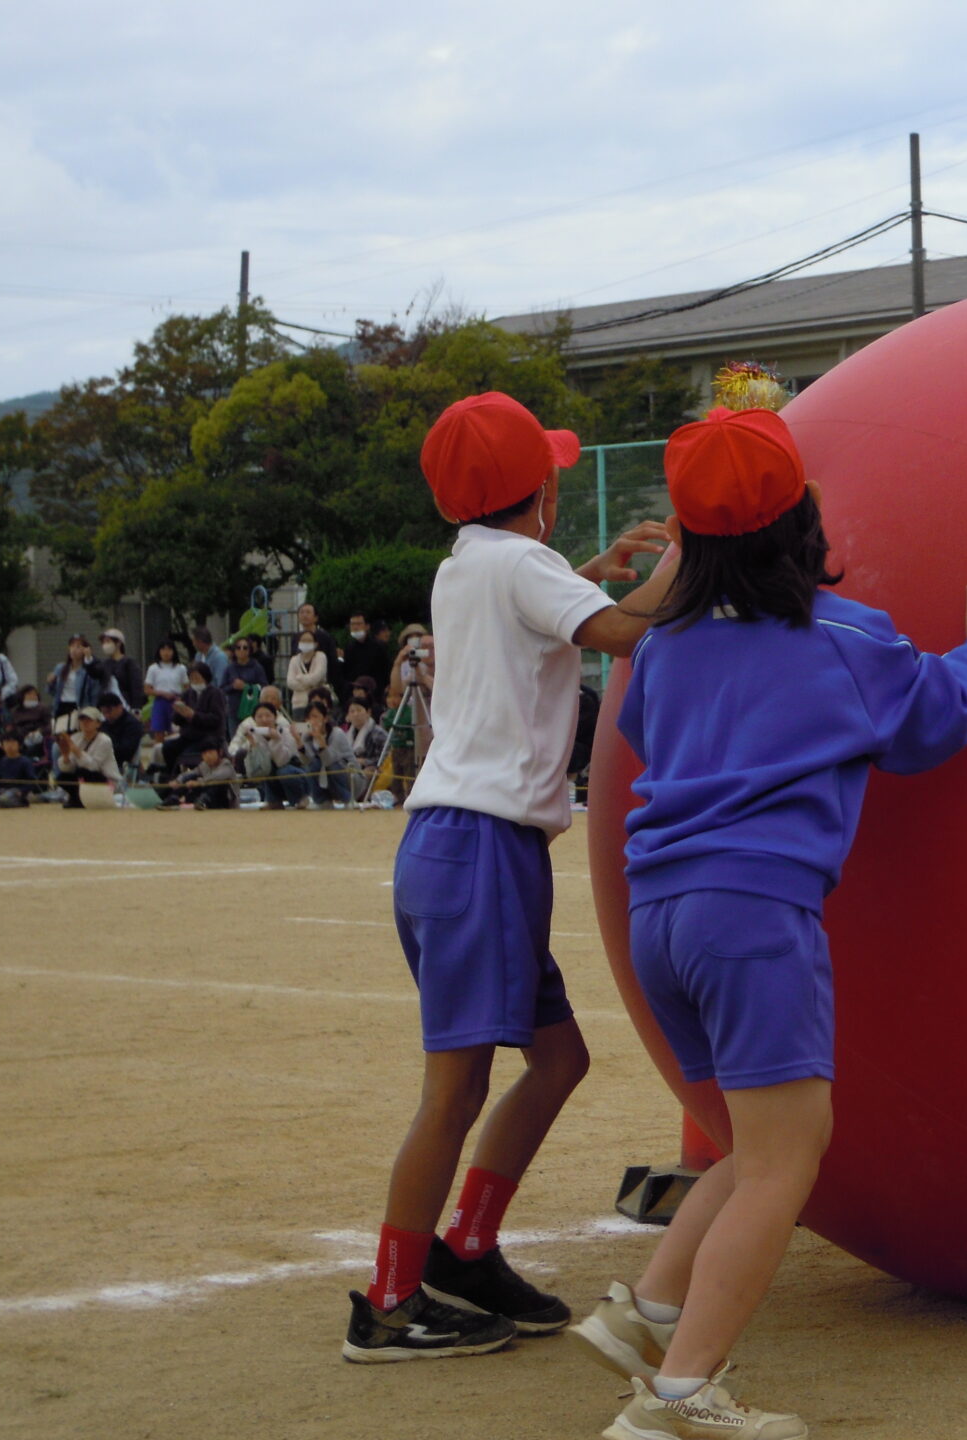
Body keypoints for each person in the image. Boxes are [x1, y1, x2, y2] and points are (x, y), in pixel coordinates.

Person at [574, 406, 967, 1439]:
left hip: (658, 910)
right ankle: (679, 1396)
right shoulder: (844, 637)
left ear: (692, 536)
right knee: (787, 1159)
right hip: (753, 917)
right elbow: (934, 721)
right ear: (802, 514)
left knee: (750, 1144)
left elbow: (652, 733)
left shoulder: (663, 646)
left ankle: (649, 1313)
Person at [342, 390, 671, 1364]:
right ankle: (390, 1303)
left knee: (557, 1058)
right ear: (545, 485)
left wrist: (591, 576)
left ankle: (468, 1249)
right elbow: (618, 636)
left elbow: (544, 605)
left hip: (464, 847)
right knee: (457, 1087)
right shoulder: (525, 566)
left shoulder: (469, 565)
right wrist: (690, 560)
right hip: (480, 848)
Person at [383, 625, 434, 806]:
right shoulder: (408, 666)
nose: (426, 651)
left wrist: (423, 677)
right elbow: (396, 692)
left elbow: (440, 691)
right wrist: (398, 662)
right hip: (415, 722)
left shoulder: (444, 663)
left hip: (436, 722)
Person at [230, 701, 310, 809]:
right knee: (265, 769)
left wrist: (275, 740)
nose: (264, 719)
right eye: (260, 716)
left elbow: (282, 761)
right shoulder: (255, 736)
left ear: (275, 717)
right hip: (272, 774)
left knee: (284, 771)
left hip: (293, 770)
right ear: (254, 719)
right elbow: (254, 769)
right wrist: (253, 746)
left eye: (268, 715)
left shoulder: (285, 731)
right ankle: (274, 800)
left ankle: (300, 798)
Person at [165, 663, 229, 777]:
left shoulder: (215, 693)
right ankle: (172, 776)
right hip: (188, 736)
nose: (195, 681)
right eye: (192, 678)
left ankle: (190, 777)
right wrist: (179, 712)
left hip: (207, 737)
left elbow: (216, 719)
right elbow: (176, 720)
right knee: (168, 747)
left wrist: (193, 715)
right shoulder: (187, 694)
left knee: (187, 753)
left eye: (197, 678)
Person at [56, 706, 122, 806]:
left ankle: (83, 799)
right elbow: (69, 768)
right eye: (82, 720)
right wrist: (66, 757)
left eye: (89, 720)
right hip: (84, 775)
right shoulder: (76, 738)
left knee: (83, 772)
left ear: (98, 723)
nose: (85, 723)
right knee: (62, 777)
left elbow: (94, 766)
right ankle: (77, 798)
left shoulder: (104, 740)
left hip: (105, 779)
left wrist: (77, 751)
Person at [300, 700, 359, 806]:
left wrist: (321, 742)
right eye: (308, 718)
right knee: (312, 766)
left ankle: (348, 800)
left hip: (350, 777)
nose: (312, 721)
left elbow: (329, 761)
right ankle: (322, 801)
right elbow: (307, 761)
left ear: (325, 718)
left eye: (315, 717)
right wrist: (299, 744)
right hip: (326, 778)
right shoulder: (306, 737)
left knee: (331, 767)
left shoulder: (336, 734)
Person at [168, 742, 239, 809]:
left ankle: (202, 802)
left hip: (226, 802)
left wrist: (199, 783)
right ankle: (174, 799)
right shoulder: (203, 765)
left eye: (210, 753)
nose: (207, 756)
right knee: (189, 779)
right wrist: (178, 780)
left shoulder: (226, 765)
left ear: (220, 752)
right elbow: (191, 773)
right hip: (207, 797)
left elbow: (215, 777)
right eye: (204, 753)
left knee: (215, 784)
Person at [48, 635, 101, 720]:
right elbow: (52, 692)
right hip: (61, 705)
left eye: (78, 647)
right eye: (72, 646)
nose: (74, 650)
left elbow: (94, 693)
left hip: (79, 706)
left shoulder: (88, 670)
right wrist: (51, 682)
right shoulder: (60, 668)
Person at [145, 639, 188, 738]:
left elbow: (187, 687)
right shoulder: (153, 668)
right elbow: (147, 689)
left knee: (175, 732)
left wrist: (181, 698)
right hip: (160, 702)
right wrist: (163, 694)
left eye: (169, 649)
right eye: (163, 649)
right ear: (159, 651)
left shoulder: (181, 668)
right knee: (159, 731)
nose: (166, 653)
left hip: (176, 702)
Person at [340, 613, 390, 697]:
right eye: (352, 624)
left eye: (359, 624)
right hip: (356, 693)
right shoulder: (349, 648)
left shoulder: (379, 646)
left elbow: (386, 669)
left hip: (377, 692)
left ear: (367, 626)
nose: (355, 627)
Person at [0, 733, 45, 807]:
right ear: (2, 746)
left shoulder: (25, 761)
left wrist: (23, 791)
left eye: (13, 742)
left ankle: (22, 802)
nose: (10, 745)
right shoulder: (2, 761)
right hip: (3, 789)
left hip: (17, 790)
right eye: (7, 743)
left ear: (19, 745)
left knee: (3, 800)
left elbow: (32, 780)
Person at [97, 693, 147, 777]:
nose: (107, 715)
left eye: (109, 711)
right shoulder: (104, 725)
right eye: (104, 712)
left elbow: (126, 751)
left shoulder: (132, 724)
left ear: (120, 707)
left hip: (119, 763)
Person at [222, 638, 269, 724]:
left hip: (252, 710)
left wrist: (246, 687)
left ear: (249, 650)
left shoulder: (256, 667)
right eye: (238, 647)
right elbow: (222, 688)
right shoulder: (229, 668)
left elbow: (265, 687)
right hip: (234, 711)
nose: (241, 650)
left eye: (245, 647)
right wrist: (233, 686)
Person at [286, 629, 329, 722]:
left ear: (316, 644)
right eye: (303, 641)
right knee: (301, 731)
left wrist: (300, 677)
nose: (306, 643)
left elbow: (317, 677)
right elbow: (290, 682)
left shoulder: (321, 656)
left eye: (309, 641)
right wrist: (310, 684)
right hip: (299, 704)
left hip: (319, 703)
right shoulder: (294, 660)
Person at [98, 628, 144, 708]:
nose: (105, 645)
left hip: (125, 706)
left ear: (118, 643)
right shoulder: (105, 664)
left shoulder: (129, 663)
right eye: (103, 642)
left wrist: (136, 708)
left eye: (108, 641)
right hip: (107, 707)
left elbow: (136, 688)